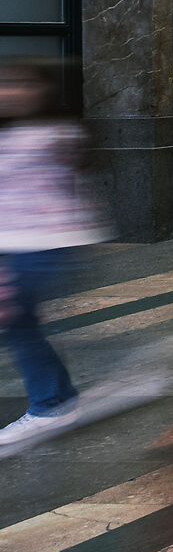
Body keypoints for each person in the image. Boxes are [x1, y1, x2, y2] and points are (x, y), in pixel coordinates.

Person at [0, 60, 107, 451]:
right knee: (21, 324)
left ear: (45, 90)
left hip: (48, 244)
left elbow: (75, 181)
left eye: (23, 84)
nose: (11, 92)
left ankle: (50, 405)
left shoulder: (58, 134)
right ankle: (58, 397)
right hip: (17, 245)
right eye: (5, 84)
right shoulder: (11, 135)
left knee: (19, 322)